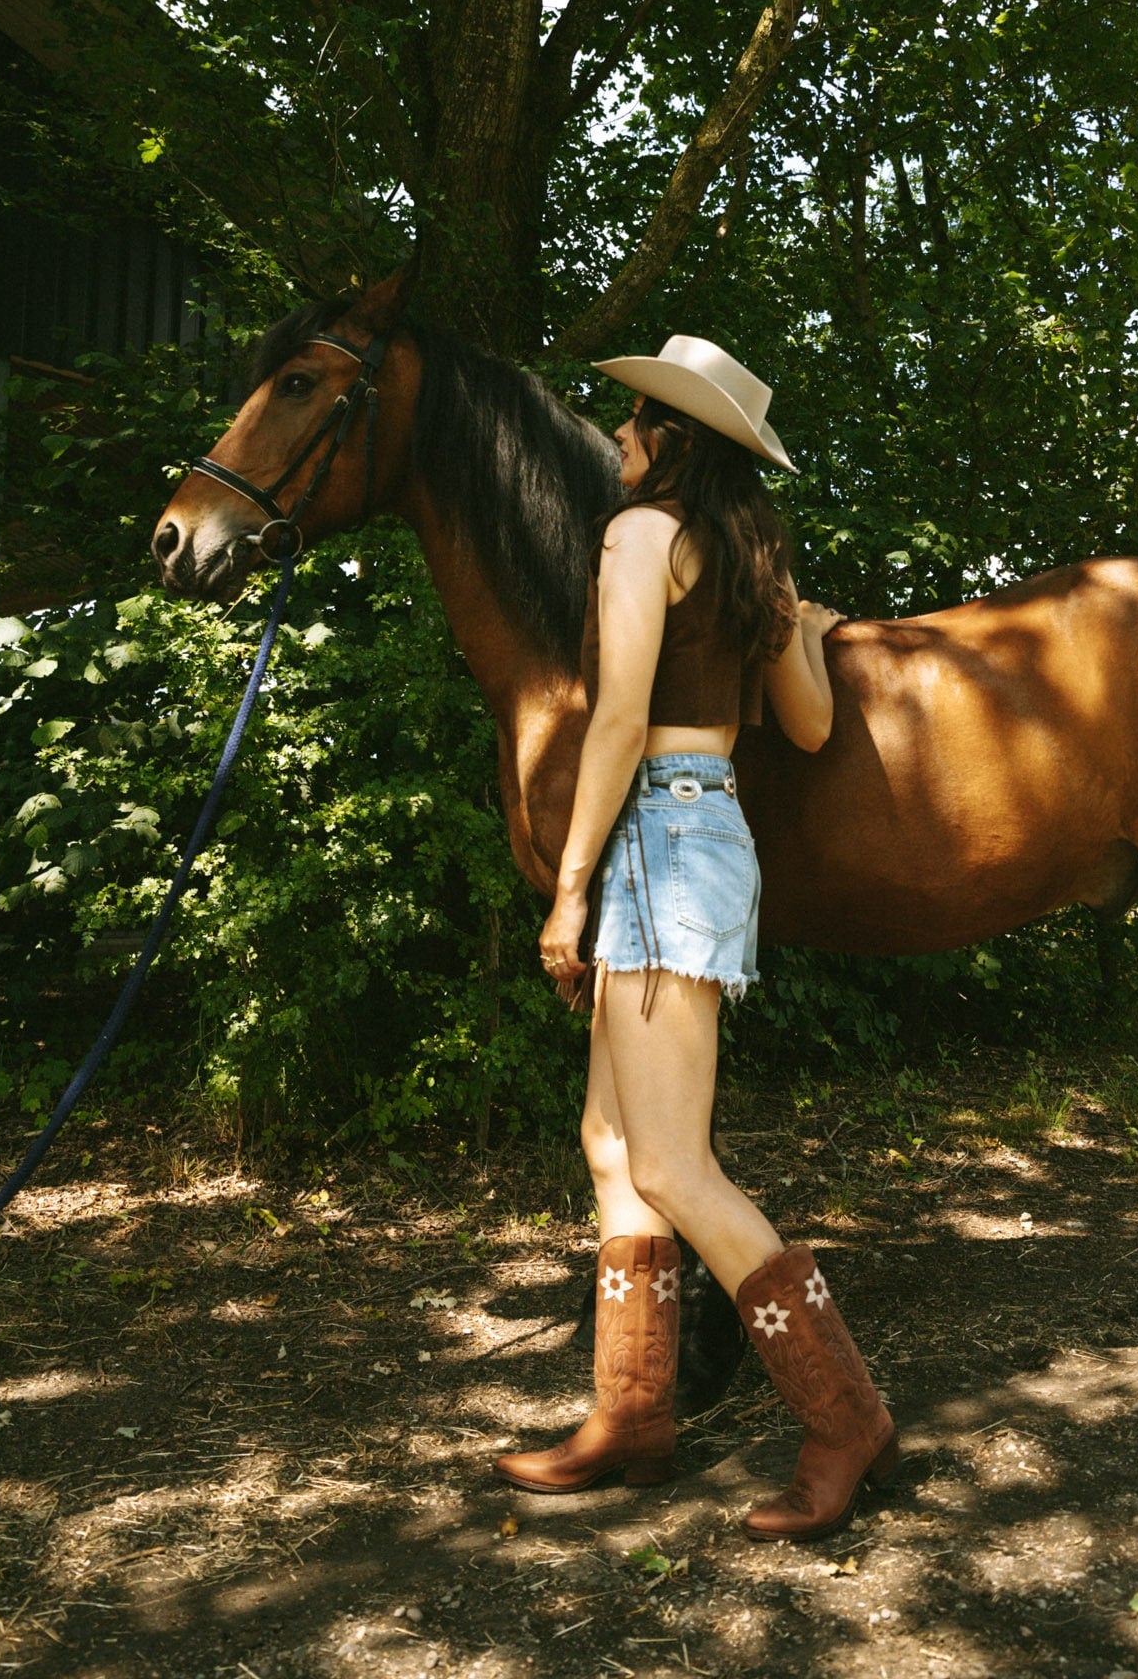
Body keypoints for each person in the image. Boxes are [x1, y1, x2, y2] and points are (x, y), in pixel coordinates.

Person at [493, 335, 897, 1541]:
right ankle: (634, 1414)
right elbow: (814, 728)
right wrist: (813, 635)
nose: (617, 437)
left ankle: (845, 1418)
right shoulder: (746, 555)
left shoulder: (637, 537)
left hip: (655, 842)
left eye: (631, 422)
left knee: (670, 1160)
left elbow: (619, 716)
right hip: (701, 831)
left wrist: (568, 890)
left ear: (671, 439)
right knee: (610, 1140)